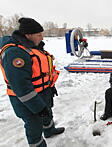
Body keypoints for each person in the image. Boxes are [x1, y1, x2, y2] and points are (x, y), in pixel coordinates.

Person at [0, 18, 65, 147]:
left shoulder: (33, 47)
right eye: (39, 35)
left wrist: (49, 87)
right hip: (26, 99)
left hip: (42, 91)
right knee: (34, 124)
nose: (42, 38)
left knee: (47, 113)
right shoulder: (15, 53)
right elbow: (21, 86)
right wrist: (38, 107)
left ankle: (49, 130)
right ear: (28, 35)